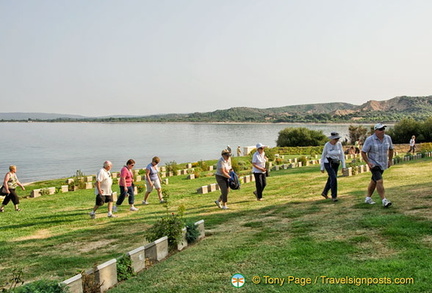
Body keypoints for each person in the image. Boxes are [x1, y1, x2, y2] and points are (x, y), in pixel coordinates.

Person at [361, 123, 394, 207]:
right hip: (374, 164)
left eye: (383, 129)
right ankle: (384, 200)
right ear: (375, 130)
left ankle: (368, 198)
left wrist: (389, 160)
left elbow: (391, 149)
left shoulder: (388, 138)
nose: (382, 131)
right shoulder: (370, 139)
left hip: (383, 164)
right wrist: (368, 162)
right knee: (379, 181)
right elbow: (363, 152)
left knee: (374, 181)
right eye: (380, 129)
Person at [320, 133, 346, 202]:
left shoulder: (339, 144)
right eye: (335, 139)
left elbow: (342, 155)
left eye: (337, 139)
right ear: (331, 139)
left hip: (336, 163)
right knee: (334, 178)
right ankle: (334, 196)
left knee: (331, 178)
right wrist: (322, 167)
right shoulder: (327, 145)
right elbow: (323, 155)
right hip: (328, 163)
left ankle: (324, 192)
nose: (336, 140)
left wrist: (343, 166)